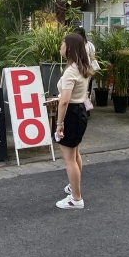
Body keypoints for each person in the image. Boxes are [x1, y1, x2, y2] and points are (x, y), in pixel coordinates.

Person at [54, 33, 93, 209]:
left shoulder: (71, 71)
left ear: (69, 48)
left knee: (68, 158)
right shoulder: (83, 66)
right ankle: (74, 187)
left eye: (63, 43)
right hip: (80, 112)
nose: (61, 46)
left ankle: (76, 199)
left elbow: (64, 100)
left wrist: (59, 123)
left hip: (71, 114)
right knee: (75, 154)